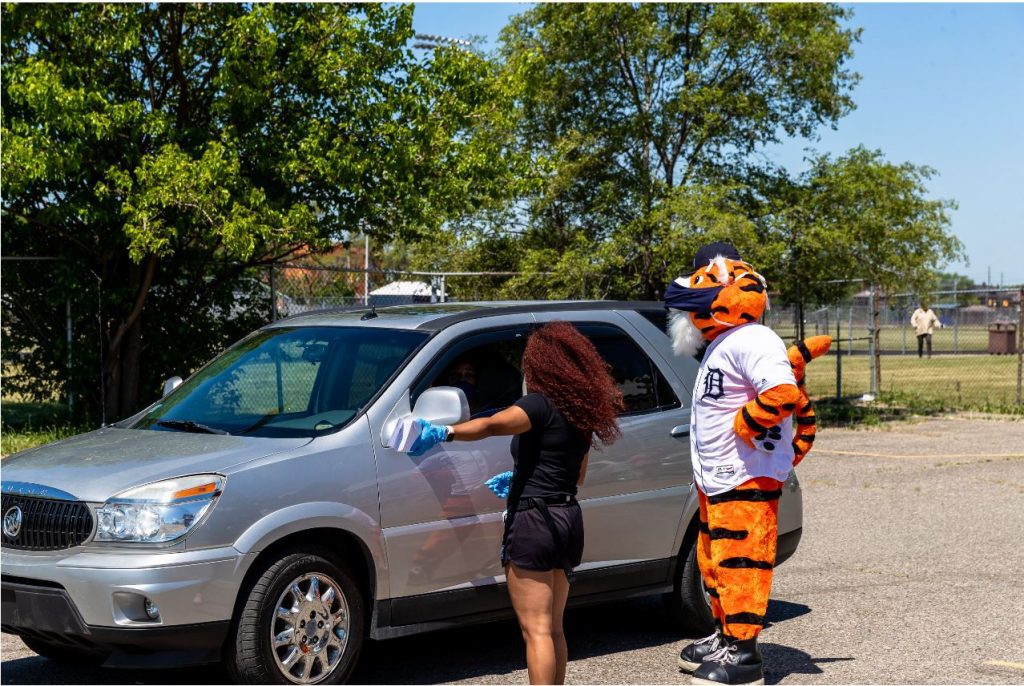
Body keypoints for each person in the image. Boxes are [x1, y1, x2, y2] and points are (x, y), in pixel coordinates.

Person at [406, 322, 624, 685]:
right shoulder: (580, 413)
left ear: (541, 365)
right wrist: (521, 479)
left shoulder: (538, 404)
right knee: (554, 629)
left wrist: (444, 432)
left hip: (534, 522)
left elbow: (494, 425)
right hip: (567, 517)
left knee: (535, 631)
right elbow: (578, 475)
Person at [663, 242, 827, 686]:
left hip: (745, 477)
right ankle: (724, 635)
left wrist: (745, 424)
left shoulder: (753, 338)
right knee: (714, 561)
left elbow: (780, 393)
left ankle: (744, 653)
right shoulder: (725, 342)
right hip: (718, 479)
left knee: (742, 560)